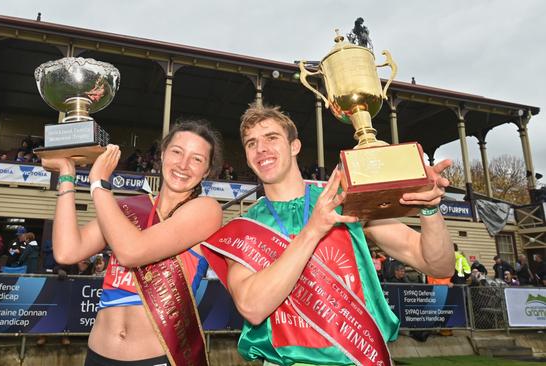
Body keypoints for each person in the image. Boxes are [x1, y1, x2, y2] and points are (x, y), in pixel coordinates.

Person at [202, 104, 454, 366]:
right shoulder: (244, 227)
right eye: (251, 143)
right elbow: (252, 308)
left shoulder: (343, 202)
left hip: (362, 357)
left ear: (295, 146)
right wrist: (313, 230)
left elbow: (437, 264)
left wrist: (430, 210)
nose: (261, 148)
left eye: (271, 138)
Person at [42, 120, 223, 365]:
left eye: (197, 159)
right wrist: (67, 175)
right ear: (162, 155)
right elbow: (67, 251)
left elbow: (132, 251)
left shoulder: (206, 210)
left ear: (208, 170)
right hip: (98, 354)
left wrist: (99, 185)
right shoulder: (130, 207)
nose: (183, 164)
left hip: (156, 358)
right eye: (177, 152)